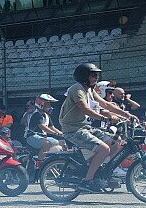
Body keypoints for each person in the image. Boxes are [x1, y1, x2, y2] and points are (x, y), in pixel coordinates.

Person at [58, 63, 136, 191]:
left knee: (115, 143)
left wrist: (127, 114)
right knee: (104, 149)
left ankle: (98, 171)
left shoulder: (89, 90)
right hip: (73, 129)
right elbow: (85, 109)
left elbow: (105, 104)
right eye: (93, 75)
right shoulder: (77, 89)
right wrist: (106, 118)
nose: (96, 78)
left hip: (85, 127)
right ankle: (87, 181)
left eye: (96, 75)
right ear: (84, 76)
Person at [23, 94, 65, 164]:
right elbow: (43, 127)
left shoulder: (47, 116)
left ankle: (56, 163)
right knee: (47, 143)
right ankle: (39, 164)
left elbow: (52, 127)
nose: (50, 107)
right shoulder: (37, 114)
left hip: (42, 137)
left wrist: (62, 134)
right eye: (48, 105)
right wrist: (55, 133)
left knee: (62, 143)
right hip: (31, 137)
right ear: (41, 105)